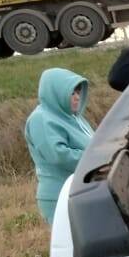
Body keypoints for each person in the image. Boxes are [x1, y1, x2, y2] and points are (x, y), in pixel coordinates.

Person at [24, 68, 94, 223]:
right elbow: (59, 155)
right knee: (70, 245)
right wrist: (99, 158)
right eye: (72, 93)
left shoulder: (75, 118)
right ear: (55, 93)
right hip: (60, 194)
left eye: (78, 92)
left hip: (80, 190)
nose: (77, 97)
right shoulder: (41, 119)